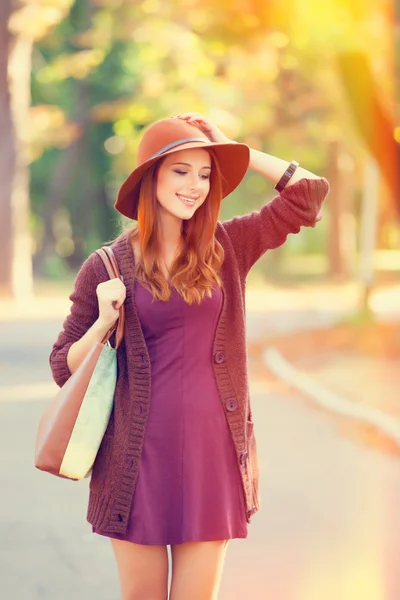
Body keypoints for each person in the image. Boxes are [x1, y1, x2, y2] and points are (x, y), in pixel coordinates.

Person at [49, 112, 330, 600]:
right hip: (135, 463)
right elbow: (62, 366)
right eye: (181, 171)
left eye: (205, 174)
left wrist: (235, 148)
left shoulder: (229, 246)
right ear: (150, 179)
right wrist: (101, 322)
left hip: (213, 456)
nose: (195, 186)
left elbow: (308, 197)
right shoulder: (106, 265)